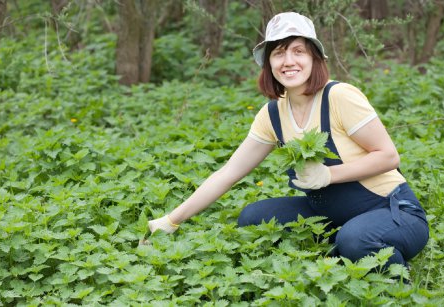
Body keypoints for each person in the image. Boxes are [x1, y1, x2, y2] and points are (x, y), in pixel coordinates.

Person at [141, 12, 429, 269]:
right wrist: (171, 220)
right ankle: (336, 253)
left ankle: (387, 274)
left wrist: (329, 174)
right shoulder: (272, 115)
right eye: (279, 53)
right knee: (254, 218)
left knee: (355, 240)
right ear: (268, 63)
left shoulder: (339, 97)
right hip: (329, 213)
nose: (288, 61)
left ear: (315, 59)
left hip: (393, 211)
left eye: (298, 51)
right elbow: (229, 173)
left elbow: (389, 156)